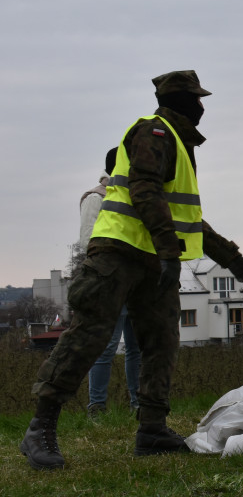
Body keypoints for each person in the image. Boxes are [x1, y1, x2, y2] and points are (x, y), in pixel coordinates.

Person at [20, 70, 243, 470]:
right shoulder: (155, 132)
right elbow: (143, 190)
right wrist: (168, 251)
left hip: (152, 260)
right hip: (117, 253)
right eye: (197, 99)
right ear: (181, 101)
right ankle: (40, 427)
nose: (202, 106)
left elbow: (186, 218)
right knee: (88, 338)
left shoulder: (178, 142)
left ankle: (152, 430)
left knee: (161, 342)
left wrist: (232, 259)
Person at [81, 147, 140, 415]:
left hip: (136, 282)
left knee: (136, 348)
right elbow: (88, 242)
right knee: (105, 347)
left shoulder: (130, 193)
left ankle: (138, 404)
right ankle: (97, 408)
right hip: (109, 283)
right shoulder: (96, 197)